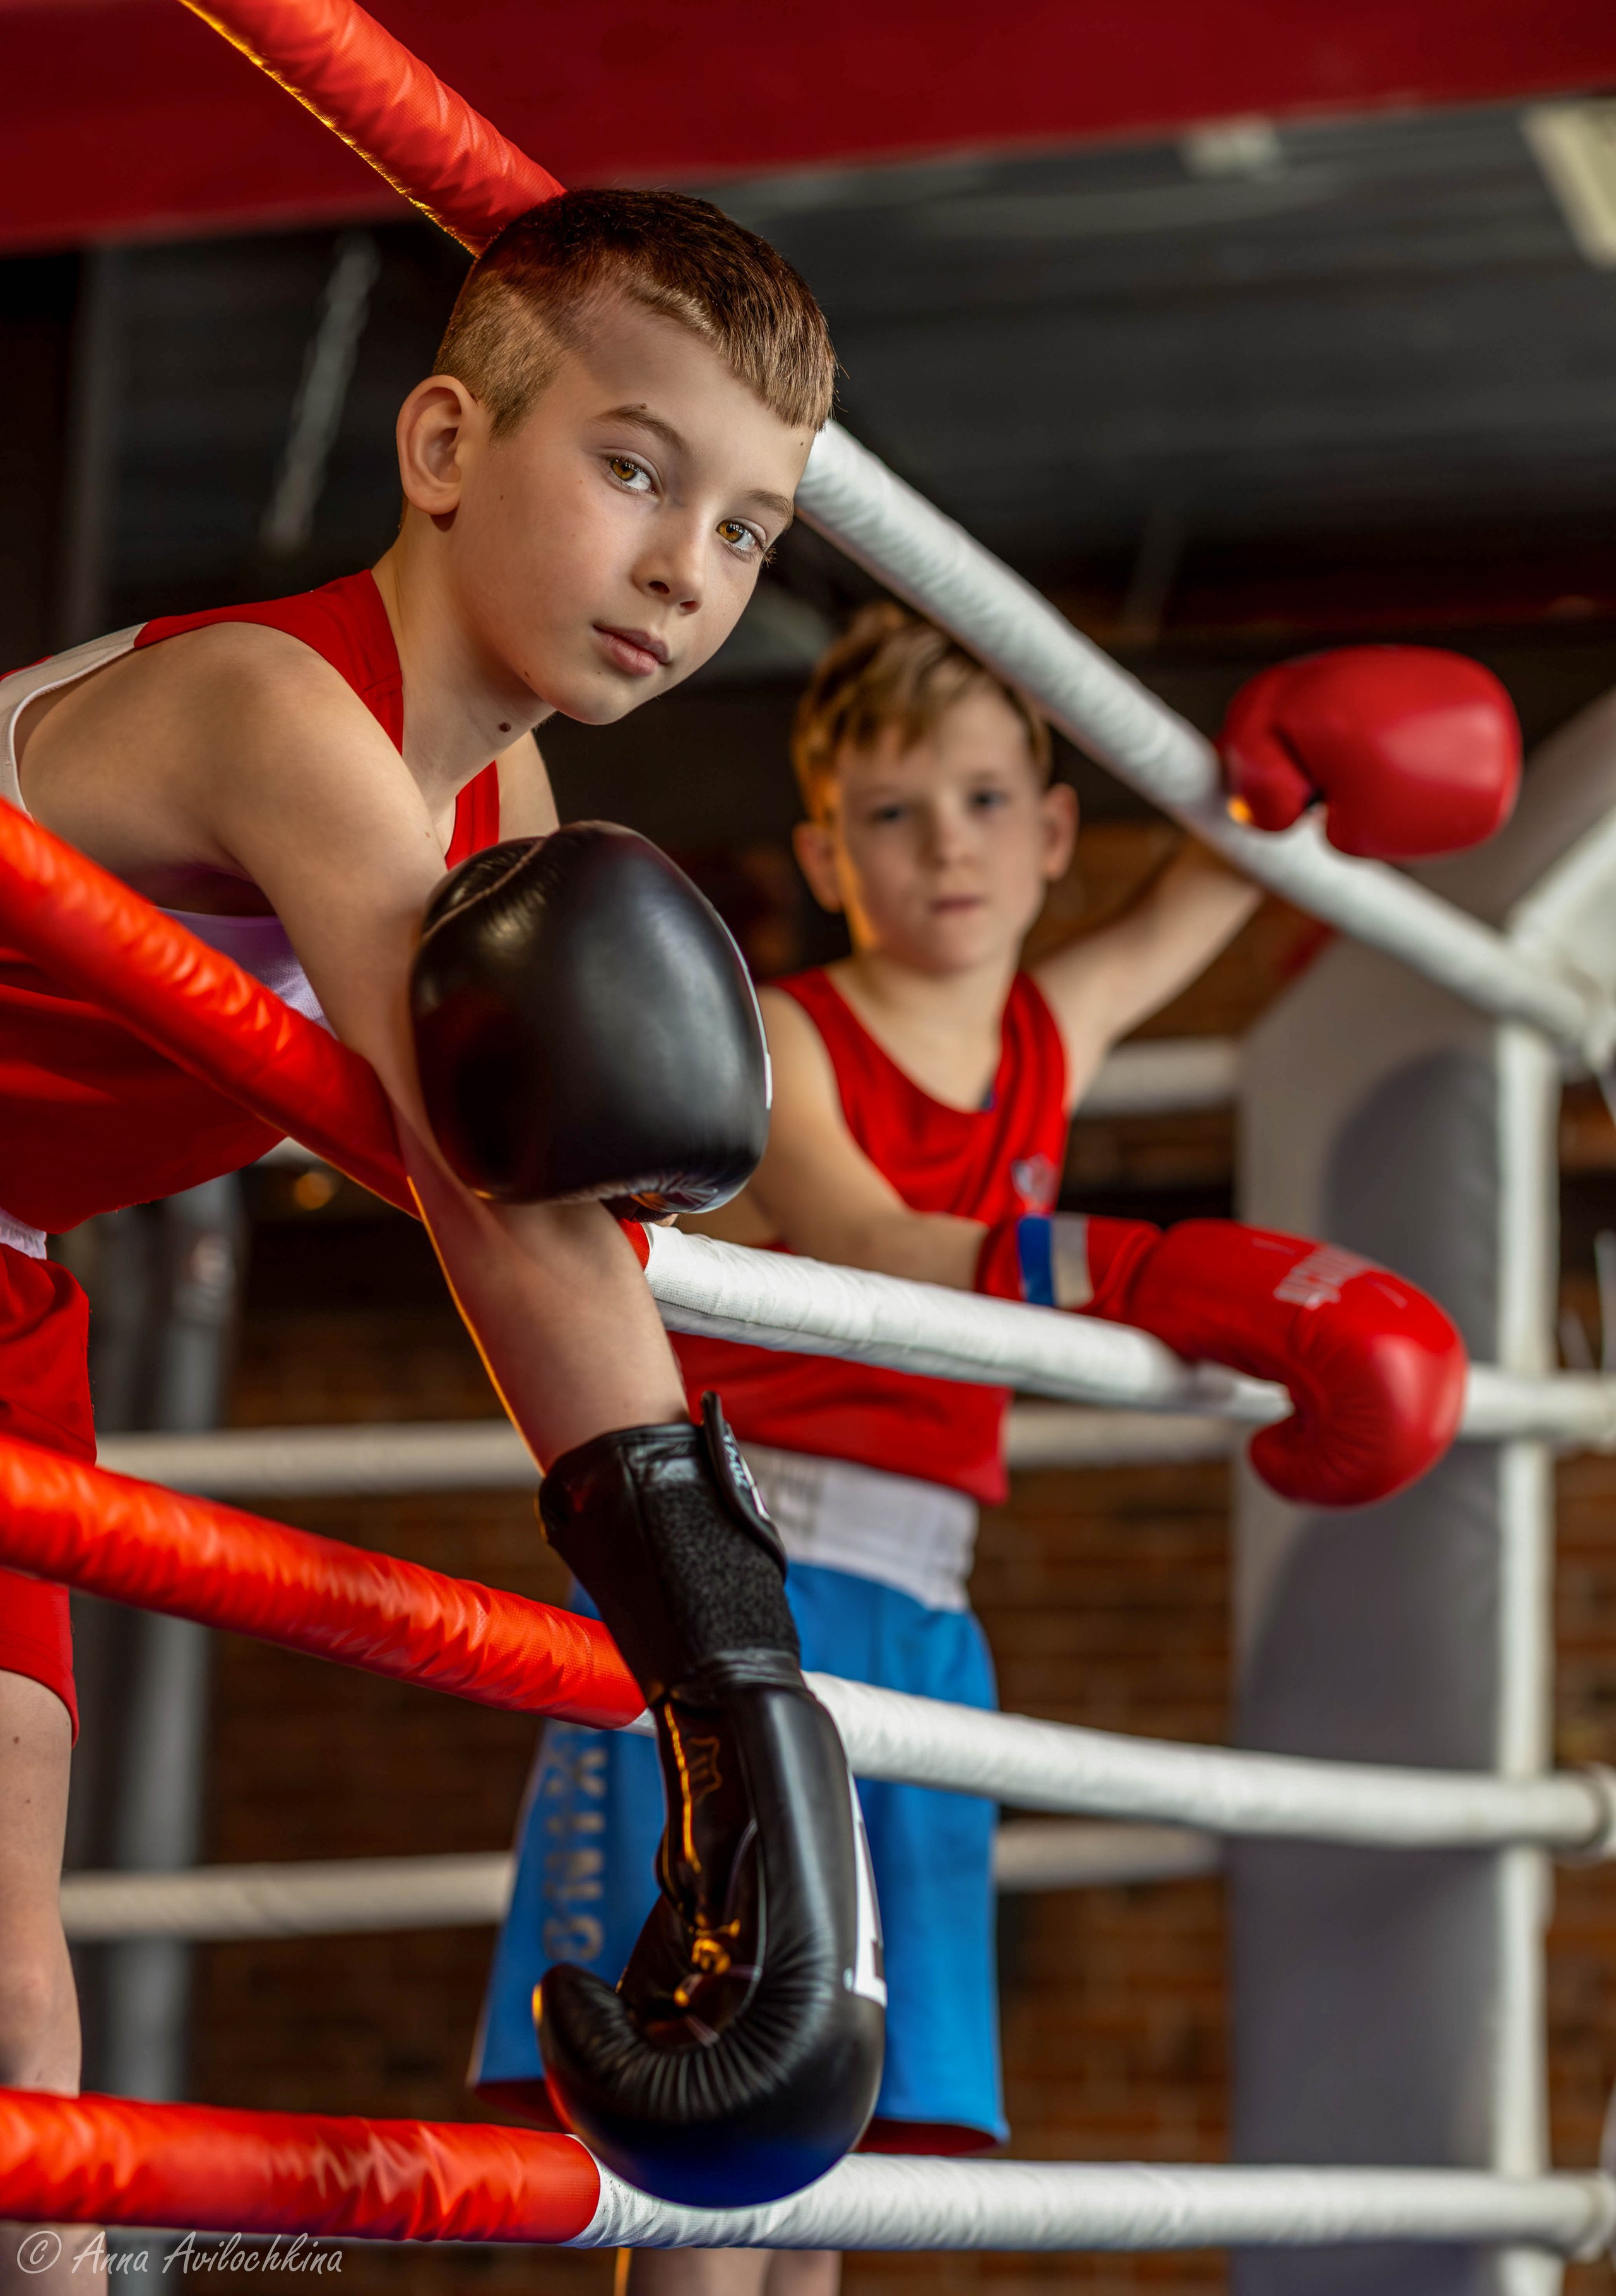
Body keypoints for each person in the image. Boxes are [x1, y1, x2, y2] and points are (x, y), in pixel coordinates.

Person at [0, 187, 848, 2282]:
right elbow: (502, 1205)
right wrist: (744, 1710)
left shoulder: (514, 816)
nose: (684, 567)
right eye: (636, 468)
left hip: (10, 1276)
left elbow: (529, 1220)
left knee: (16, 2014)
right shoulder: (282, 713)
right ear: (448, 449)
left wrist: (736, 1698)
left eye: (747, 529)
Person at [476, 601, 1484, 2293]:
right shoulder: (785, 1035)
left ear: (1052, 833)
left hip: (927, 1618)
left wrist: (1288, 771)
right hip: (742, 1602)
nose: (946, 844)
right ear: (826, 847)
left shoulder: (1043, 1032)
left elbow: (1201, 898)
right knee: (719, 2131)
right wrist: (1126, 1267)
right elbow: (870, 1241)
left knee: (839, 2149)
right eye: (892, 811)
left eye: (985, 801)